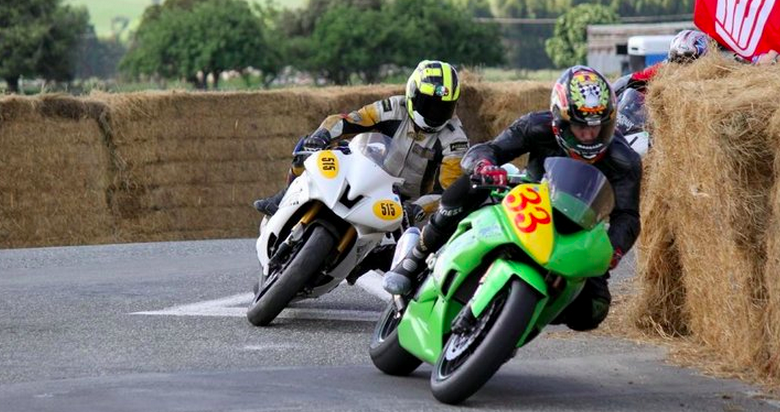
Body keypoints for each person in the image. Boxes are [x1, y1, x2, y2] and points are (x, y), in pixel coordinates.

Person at [383, 65, 642, 332]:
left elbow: (628, 216)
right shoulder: (536, 125)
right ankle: (416, 256)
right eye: (580, 127)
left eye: (598, 127)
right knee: (473, 184)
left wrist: (613, 251)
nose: (590, 135)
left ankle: (526, 315)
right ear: (561, 120)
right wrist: (485, 166)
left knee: (592, 312)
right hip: (528, 202)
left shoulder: (625, 161)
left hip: (576, 228)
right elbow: (488, 150)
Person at [253, 60, 471, 216]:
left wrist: (419, 208)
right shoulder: (394, 107)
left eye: (444, 107)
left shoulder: (455, 141)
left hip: (404, 205)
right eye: (429, 104)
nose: (435, 113)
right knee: (308, 152)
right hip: (368, 176)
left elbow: (447, 191)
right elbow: (351, 120)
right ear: (413, 93)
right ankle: (283, 199)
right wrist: (322, 135)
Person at [613, 29, 710, 97]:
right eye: (676, 57)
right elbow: (632, 79)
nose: (680, 63)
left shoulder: (709, 83)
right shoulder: (663, 69)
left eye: (687, 58)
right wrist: (610, 94)